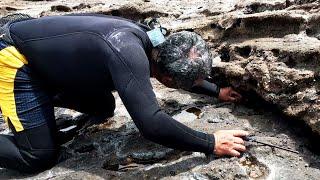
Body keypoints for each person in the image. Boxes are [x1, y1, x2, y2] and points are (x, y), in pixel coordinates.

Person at [0, 13, 247, 173]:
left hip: (44, 53)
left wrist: (217, 92)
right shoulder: (126, 51)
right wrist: (210, 143)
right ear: (167, 79)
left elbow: (183, 64)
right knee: (37, 157)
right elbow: (151, 124)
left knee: (103, 107)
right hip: (14, 57)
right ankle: (34, 103)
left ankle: (43, 99)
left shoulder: (157, 42)